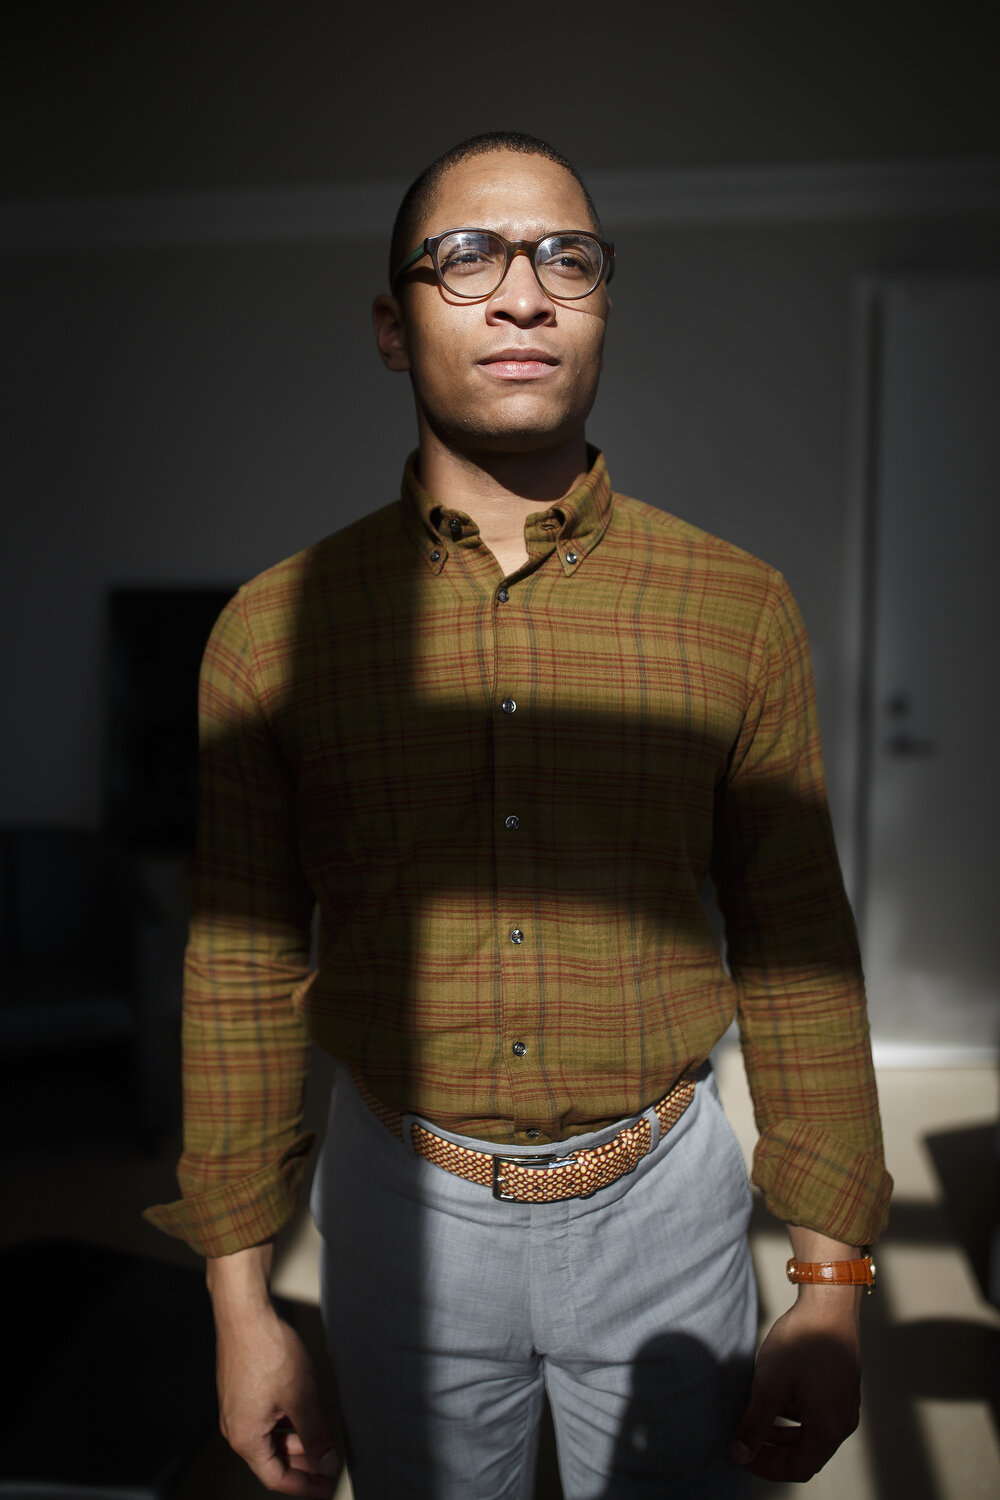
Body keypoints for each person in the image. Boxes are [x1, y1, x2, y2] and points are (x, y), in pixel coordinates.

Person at [146, 131, 892, 1498]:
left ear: (602, 308)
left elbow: (797, 946)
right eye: (467, 256)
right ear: (392, 325)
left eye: (569, 259)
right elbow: (242, 975)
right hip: (397, 1201)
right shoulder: (272, 633)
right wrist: (243, 1308)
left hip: (666, 1197)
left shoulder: (738, 606)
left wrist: (833, 1280)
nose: (525, 292)